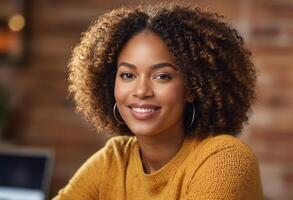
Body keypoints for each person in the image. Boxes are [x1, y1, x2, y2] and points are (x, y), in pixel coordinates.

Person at [53, 2, 264, 200]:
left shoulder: (226, 159)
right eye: (127, 75)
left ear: (192, 87)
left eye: (162, 76)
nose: (141, 91)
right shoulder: (114, 159)